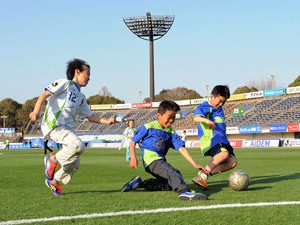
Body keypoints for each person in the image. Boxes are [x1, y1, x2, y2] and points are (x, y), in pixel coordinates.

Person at [29, 59, 116, 196]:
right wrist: (36, 111)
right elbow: (44, 94)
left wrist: (107, 121)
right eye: (87, 73)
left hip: (67, 130)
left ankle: (54, 182)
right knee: (78, 145)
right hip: (55, 125)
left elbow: (90, 116)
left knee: (74, 165)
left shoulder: (81, 97)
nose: (89, 77)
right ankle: (52, 160)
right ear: (77, 71)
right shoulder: (65, 84)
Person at [121, 100, 208, 201]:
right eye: (169, 117)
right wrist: (133, 157)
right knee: (174, 173)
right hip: (152, 160)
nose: (171, 120)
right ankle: (184, 192)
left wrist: (194, 164)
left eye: (174, 117)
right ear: (159, 115)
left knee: (168, 184)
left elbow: (182, 148)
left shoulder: (171, 132)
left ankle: (138, 184)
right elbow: (132, 142)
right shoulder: (148, 127)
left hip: (159, 161)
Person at [192, 85, 237, 190]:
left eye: (223, 102)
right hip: (212, 138)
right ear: (212, 96)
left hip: (223, 139)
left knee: (232, 162)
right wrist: (206, 120)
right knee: (224, 154)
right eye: (219, 101)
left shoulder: (219, 108)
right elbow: (195, 118)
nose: (221, 104)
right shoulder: (205, 106)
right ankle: (202, 176)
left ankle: (203, 175)